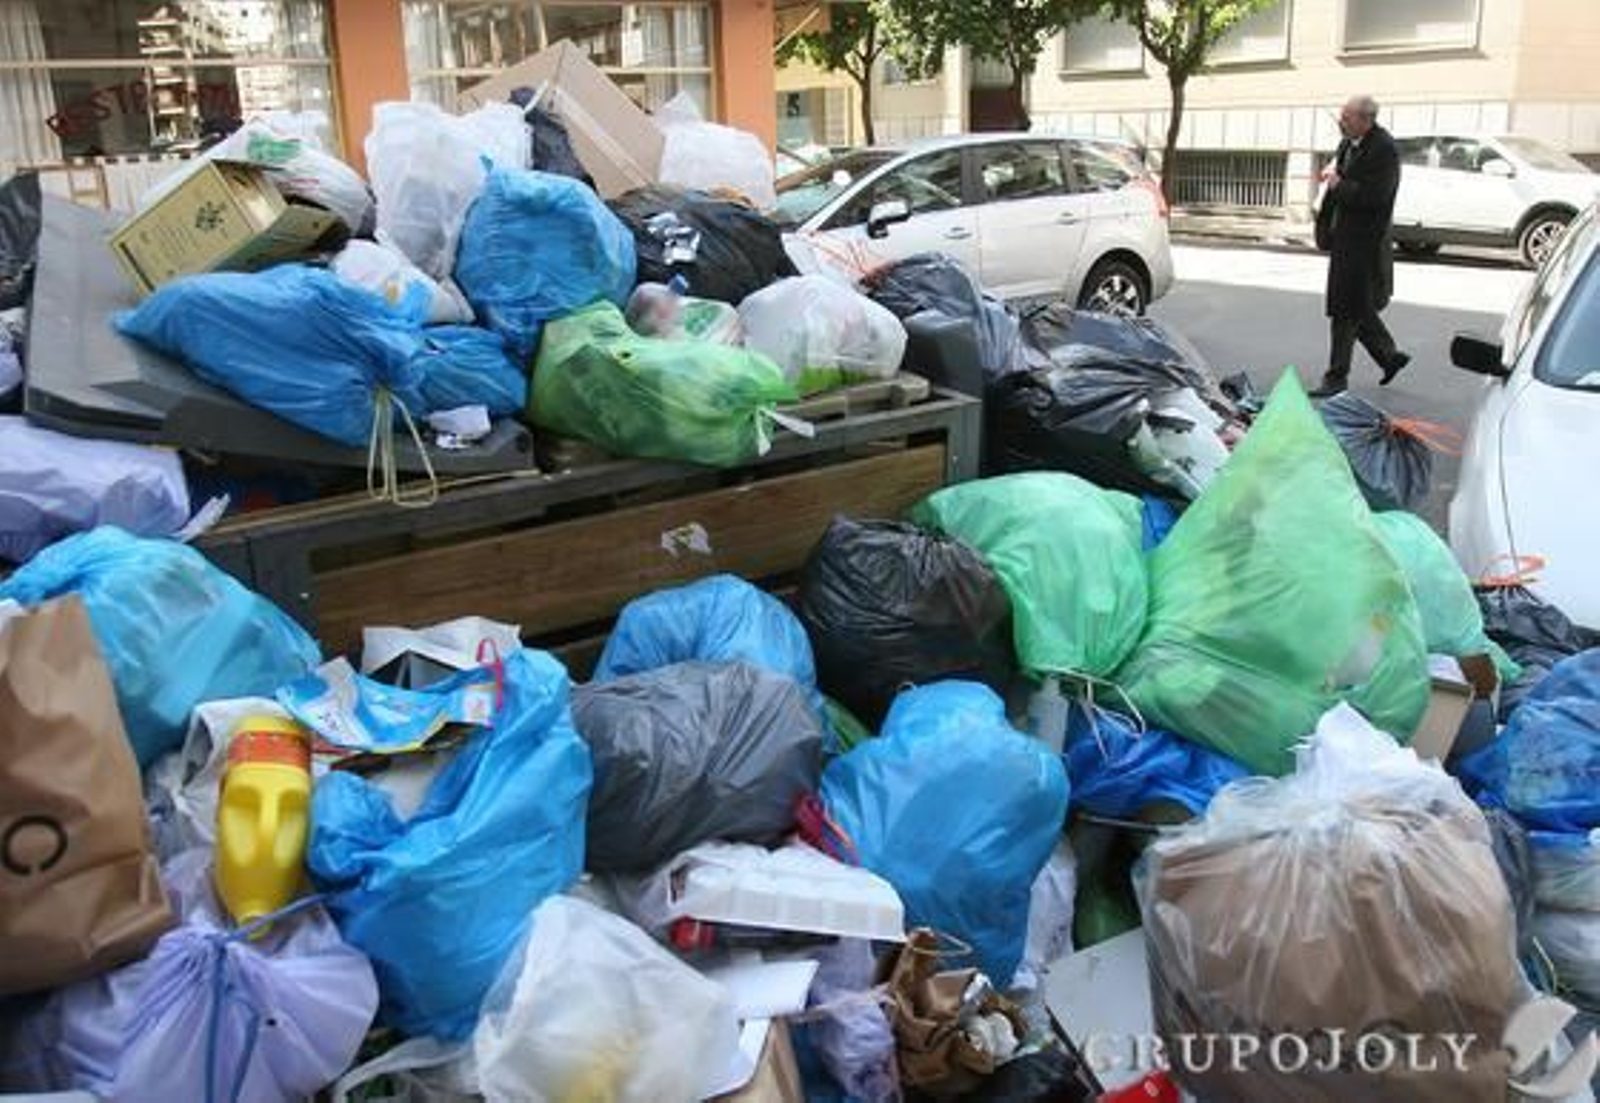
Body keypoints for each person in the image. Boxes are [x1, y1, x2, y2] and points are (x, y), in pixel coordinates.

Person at [1313, 95, 1411, 398]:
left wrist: (1338, 185)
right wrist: (1324, 226)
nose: (1341, 122)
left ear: (1366, 120)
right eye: (1341, 117)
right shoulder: (1347, 144)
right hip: (1345, 238)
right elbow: (1336, 183)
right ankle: (1389, 356)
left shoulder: (1384, 149)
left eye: (1347, 117)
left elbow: (1376, 197)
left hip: (1366, 242)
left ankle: (1337, 377)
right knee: (1351, 307)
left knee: (1347, 308)